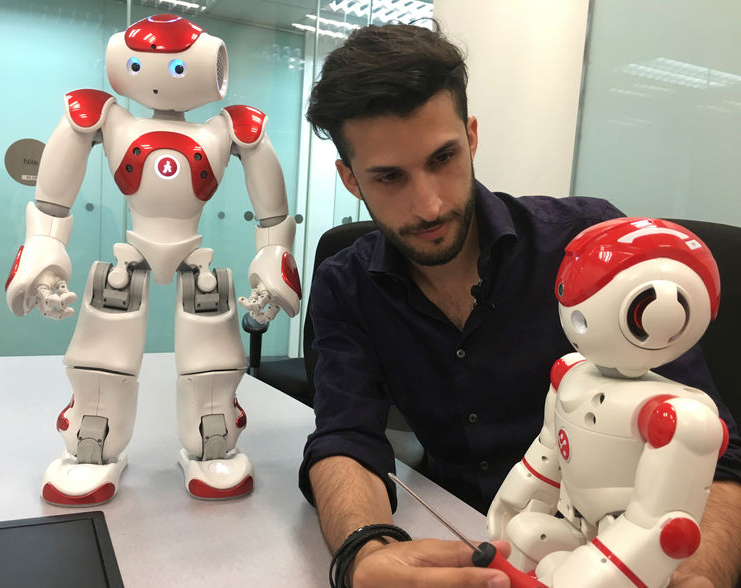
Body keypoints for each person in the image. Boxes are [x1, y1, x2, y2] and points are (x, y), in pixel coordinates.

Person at [297, 22, 741, 588]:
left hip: (621, 549)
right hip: (465, 538)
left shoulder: (590, 245)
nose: (429, 204)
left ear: (472, 136)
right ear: (350, 179)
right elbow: (345, 437)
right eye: (388, 177)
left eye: (443, 158)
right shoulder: (346, 284)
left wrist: (697, 577)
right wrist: (363, 551)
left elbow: (718, 457)